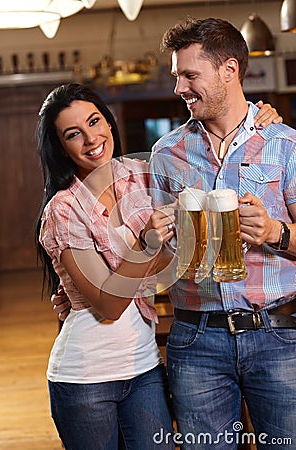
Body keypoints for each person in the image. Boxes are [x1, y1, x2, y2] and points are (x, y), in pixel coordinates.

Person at [148, 17, 296, 450]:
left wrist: (274, 231)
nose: (179, 87)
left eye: (190, 75)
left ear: (229, 70)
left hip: (278, 335)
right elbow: (159, 264)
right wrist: (154, 239)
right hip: (196, 339)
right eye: (177, 76)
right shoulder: (166, 153)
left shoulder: (284, 144)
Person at [35, 82, 178, 450]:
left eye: (95, 121)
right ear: (62, 149)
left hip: (145, 366)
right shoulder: (63, 210)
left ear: (109, 123)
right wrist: (146, 245)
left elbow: (168, 262)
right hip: (85, 378)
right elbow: (109, 305)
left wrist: (257, 122)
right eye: (73, 134)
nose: (90, 138)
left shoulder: (140, 176)